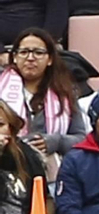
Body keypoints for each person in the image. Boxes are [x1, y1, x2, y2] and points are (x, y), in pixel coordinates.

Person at [0, 27, 80, 163]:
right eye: (24, 52)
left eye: (38, 52)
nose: (30, 58)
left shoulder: (65, 93)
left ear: (50, 59)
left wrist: (56, 141)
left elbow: (81, 137)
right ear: (14, 57)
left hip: (53, 171)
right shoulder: (1, 87)